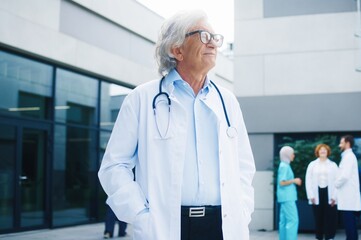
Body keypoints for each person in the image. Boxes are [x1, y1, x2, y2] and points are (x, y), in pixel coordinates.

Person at [98, 10, 256, 240]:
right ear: (176, 49)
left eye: (215, 37)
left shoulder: (227, 101)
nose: (213, 44)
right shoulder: (142, 98)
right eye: (203, 36)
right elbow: (114, 166)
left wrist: (243, 210)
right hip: (166, 227)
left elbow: (244, 167)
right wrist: (141, 215)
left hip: (223, 226)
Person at [305, 144, 338, 240]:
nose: (323, 151)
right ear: (317, 152)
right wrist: (311, 195)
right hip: (316, 194)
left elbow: (337, 181)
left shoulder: (333, 165)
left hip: (330, 193)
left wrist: (334, 197)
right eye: (321, 149)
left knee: (330, 217)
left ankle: (330, 237)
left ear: (328, 152)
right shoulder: (312, 165)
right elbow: (308, 180)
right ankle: (319, 237)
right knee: (318, 217)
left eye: (325, 149)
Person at [335, 135, 361, 240]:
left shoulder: (349, 157)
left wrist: (335, 184)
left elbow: (344, 176)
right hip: (348, 198)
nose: (339, 145)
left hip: (348, 199)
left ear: (347, 143)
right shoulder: (348, 156)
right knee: (351, 226)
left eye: (341, 142)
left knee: (350, 226)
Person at [276, 146, 301, 240]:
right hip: (288, 198)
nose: (293, 155)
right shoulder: (284, 166)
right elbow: (282, 182)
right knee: (293, 220)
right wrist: (294, 180)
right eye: (292, 153)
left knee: (284, 221)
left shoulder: (283, 165)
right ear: (287, 154)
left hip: (284, 198)